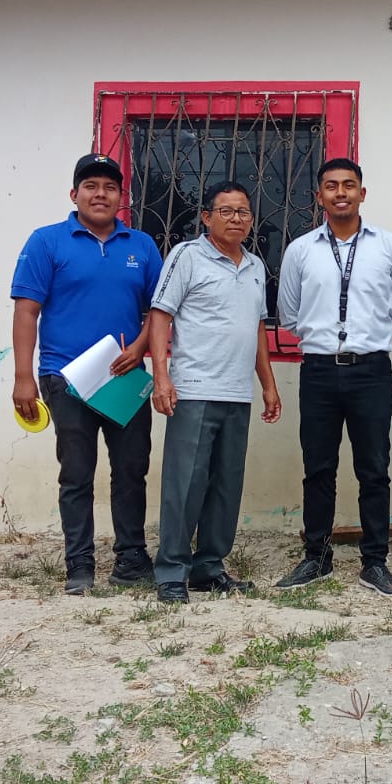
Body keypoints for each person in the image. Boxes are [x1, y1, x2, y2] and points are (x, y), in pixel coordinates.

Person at [11, 153, 164, 594]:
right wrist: (24, 377)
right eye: (91, 186)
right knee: (76, 474)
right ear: (74, 194)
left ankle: (131, 558)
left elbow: (159, 311)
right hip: (65, 378)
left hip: (124, 376)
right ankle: (79, 564)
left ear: (121, 196)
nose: (101, 194)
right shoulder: (47, 242)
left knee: (131, 470)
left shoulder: (141, 246)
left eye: (110, 187)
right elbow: (26, 311)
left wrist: (139, 348)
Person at [275, 158, 392, 597]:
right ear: (319, 195)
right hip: (319, 371)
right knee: (318, 467)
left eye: (349, 185)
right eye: (332, 185)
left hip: (371, 371)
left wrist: (368, 336)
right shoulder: (301, 250)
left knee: (374, 468)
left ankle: (375, 562)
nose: (341, 193)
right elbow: (289, 314)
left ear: (362, 193)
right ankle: (316, 557)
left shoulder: (390, 246)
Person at [148, 181, 282, 604]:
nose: (236, 219)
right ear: (207, 217)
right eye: (226, 211)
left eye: (243, 212)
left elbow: (257, 329)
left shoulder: (255, 265)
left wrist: (268, 385)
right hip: (194, 389)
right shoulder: (187, 256)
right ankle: (172, 571)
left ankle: (209, 567)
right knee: (185, 485)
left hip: (237, 392)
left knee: (226, 485)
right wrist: (162, 378)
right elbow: (160, 316)